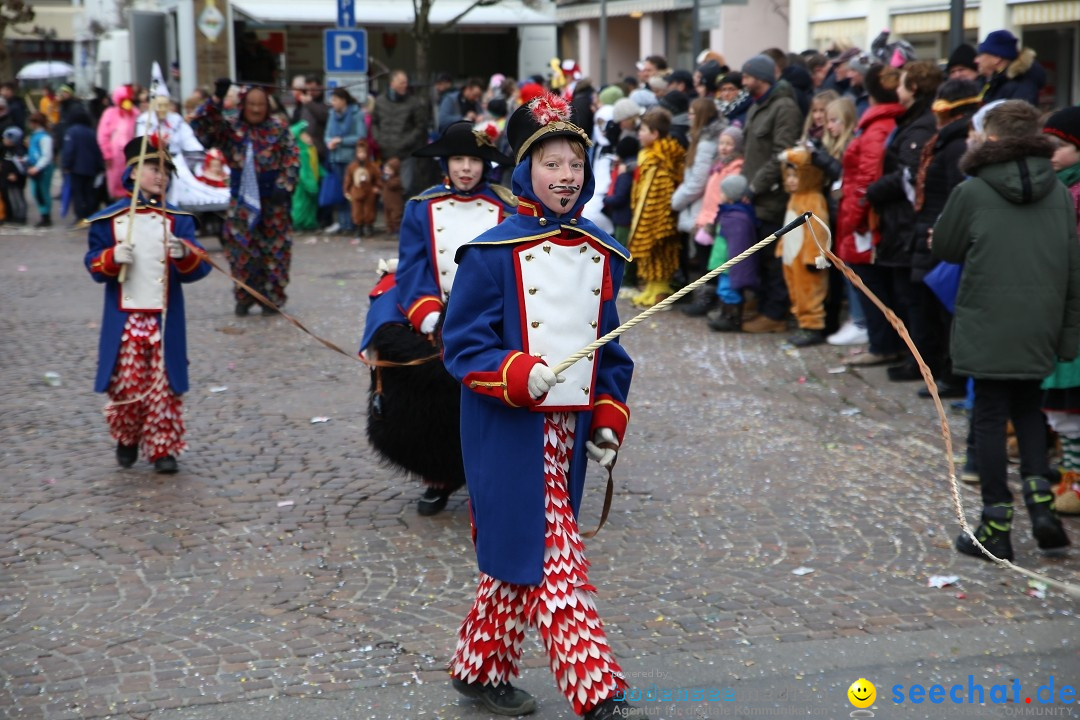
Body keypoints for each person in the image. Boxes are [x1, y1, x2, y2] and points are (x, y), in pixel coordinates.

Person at [441, 91, 646, 720]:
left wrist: (608, 418)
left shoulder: (599, 251)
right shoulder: (491, 252)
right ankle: (598, 692)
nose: (565, 177)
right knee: (551, 552)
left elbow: (610, 352)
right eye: (551, 163)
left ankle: (480, 671)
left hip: (568, 433)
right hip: (507, 431)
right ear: (526, 170)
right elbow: (463, 344)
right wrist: (515, 372)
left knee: (515, 555)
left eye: (575, 166)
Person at [932, 100, 1076, 561]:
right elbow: (1073, 266)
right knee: (1029, 409)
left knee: (990, 416)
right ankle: (1040, 506)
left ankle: (995, 524)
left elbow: (948, 248)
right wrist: (1068, 334)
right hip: (1040, 319)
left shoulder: (974, 190)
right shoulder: (1057, 189)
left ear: (992, 138)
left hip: (987, 318)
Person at [358, 120, 515, 517]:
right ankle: (437, 474)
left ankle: (490, 475)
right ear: (445, 163)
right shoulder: (421, 206)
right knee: (426, 392)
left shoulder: (506, 208)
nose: (466, 168)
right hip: (434, 312)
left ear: (486, 166)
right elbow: (413, 268)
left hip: (489, 314)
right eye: (458, 159)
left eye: (474, 161)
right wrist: (429, 318)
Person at [83, 136, 211, 474]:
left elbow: (200, 267)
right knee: (127, 383)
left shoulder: (178, 220)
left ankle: (162, 449)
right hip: (125, 318)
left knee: (163, 385)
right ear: (134, 171)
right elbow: (94, 264)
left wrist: (185, 254)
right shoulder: (110, 220)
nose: (161, 176)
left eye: (166, 171)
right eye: (154, 169)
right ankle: (127, 436)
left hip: (164, 319)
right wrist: (111, 257)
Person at [192, 79, 299, 316]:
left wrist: (285, 185)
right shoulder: (231, 128)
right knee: (241, 252)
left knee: (276, 254)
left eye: (261, 104)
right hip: (241, 203)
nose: (256, 109)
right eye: (252, 104)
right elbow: (200, 127)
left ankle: (271, 299)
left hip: (274, 203)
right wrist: (216, 99)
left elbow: (292, 157)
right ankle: (245, 296)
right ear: (243, 105)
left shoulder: (278, 128)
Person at [865, 60, 943, 380]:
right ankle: (915, 358)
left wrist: (872, 191)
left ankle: (922, 363)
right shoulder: (912, 120)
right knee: (907, 296)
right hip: (899, 223)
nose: (896, 90)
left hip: (907, 223)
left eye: (902, 84)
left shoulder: (921, 125)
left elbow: (908, 175)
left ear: (913, 88)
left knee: (913, 299)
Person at [908, 79, 983, 400]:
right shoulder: (946, 142)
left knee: (945, 309)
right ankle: (940, 371)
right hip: (930, 229)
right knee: (930, 308)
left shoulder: (954, 146)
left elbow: (958, 195)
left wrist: (942, 229)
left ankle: (951, 376)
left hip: (939, 234)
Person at [835, 65, 906, 366]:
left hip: (865, 220)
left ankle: (882, 345)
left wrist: (852, 218)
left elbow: (867, 178)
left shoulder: (878, 126)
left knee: (871, 285)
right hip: (864, 215)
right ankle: (882, 343)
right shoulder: (879, 123)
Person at [738, 54, 802, 333]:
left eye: (747, 76)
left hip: (771, 196)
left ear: (761, 78)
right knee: (762, 257)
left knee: (774, 259)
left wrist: (756, 186)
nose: (743, 81)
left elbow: (782, 155)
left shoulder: (784, 107)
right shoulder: (757, 106)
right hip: (754, 195)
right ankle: (765, 308)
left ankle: (776, 314)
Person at [1040, 106, 1080, 516]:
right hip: (1059, 308)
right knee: (1063, 409)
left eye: (1063, 145)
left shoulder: (1073, 194)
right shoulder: (1058, 188)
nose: (1053, 152)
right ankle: (1071, 475)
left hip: (1073, 310)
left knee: (1073, 404)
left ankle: (1077, 480)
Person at [684, 125, 745, 318]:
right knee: (703, 261)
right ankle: (704, 297)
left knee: (714, 263)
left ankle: (710, 299)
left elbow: (724, 196)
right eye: (722, 143)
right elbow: (709, 197)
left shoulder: (735, 167)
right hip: (706, 219)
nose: (724, 147)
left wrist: (713, 221)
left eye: (729, 144)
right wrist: (701, 219)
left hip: (718, 222)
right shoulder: (718, 165)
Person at [628, 107, 686, 307]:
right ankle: (652, 286)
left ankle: (661, 288)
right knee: (649, 255)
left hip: (657, 216)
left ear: (655, 133)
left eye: (643, 130)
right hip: (645, 212)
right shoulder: (648, 154)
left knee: (659, 252)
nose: (639, 134)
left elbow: (659, 191)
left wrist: (655, 219)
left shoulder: (661, 159)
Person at [776, 145, 829, 346]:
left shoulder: (813, 199)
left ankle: (812, 326)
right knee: (795, 291)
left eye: (795, 176)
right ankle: (801, 322)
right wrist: (782, 248)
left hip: (807, 258)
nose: (790, 180)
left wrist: (814, 255)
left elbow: (819, 230)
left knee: (810, 293)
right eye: (788, 175)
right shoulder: (794, 198)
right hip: (792, 256)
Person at [672, 97, 724, 277]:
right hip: (697, 204)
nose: (689, 117)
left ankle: (703, 296)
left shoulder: (705, 144)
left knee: (703, 255)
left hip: (701, 206)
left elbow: (697, 182)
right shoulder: (702, 140)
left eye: (693, 113)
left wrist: (676, 201)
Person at [372, 70, 429, 198]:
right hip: (385, 152)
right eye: (402, 83)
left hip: (405, 153)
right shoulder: (380, 101)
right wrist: (378, 139)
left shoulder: (414, 103)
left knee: (405, 187)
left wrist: (407, 141)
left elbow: (420, 127)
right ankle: (392, 217)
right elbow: (374, 123)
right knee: (387, 188)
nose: (405, 85)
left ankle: (404, 216)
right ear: (392, 84)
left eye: (406, 83)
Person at [325, 87, 364, 235]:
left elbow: (360, 136)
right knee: (339, 192)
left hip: (350, 159)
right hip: (335, 158)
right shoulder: (331, 115)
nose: (332, 103)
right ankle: (343, 223)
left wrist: (340, 141)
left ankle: (353, 223)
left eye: (335, 99)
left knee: (352, 192)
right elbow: (327, 134)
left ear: (343, 100)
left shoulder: (356, 114)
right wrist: (329, 141)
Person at [975, 30, 1045, 106]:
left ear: (997, 58)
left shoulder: (1021, 88)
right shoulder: (994, 83)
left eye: (981, 55)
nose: (976, 60)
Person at [61, 105, 104, 222]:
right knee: (89, 192)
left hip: (76, 168)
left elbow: (69, 150)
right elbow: (97, 150)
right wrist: (100, 166)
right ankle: (89, 214)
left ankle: (80, 216)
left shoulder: (72, 131)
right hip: (91, 168)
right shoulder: (91, 132)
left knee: (78, 193)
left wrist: (66, 165)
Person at [97, 85, 138, 199]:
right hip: (115, 157)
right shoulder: (110, 113)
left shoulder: (135, 113)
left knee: (132, 181)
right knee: (116, 184)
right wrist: (107, 154)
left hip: (132, 155)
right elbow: (102, 136)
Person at [601, 134, 639, 254]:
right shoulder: (634, 165)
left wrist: (606, 199)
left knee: (622, 249)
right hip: (628, 217)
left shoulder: (625, 171)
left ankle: (624, 273)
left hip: (624, 218)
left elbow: (619, 197)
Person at [343, 140, 380, 237]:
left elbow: (377, 179)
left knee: (369, 210)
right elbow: (348, 179)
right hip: (356, 191)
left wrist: (377, 187)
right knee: (356, 210)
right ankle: (358, 227)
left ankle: (368, 226)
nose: (361, 155)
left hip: (369, 191)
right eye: (359, 153)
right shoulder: (352, 167)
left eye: (363, 153)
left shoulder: (372, 166)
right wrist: (346, 190)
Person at [290, 121, 321, 232]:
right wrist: (310, 184)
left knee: (310, 205)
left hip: (310, 182)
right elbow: (303, 171)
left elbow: (315, 166)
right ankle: (298, 223)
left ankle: (309, 223)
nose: (308, 138)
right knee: (301, 204)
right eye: (304, 136)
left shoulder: (309, 150)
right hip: (303, 185)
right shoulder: (301, 153)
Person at [26, 113, 53, 227]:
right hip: (35, 166)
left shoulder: (44, 137)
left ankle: (46, 216)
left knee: (42, 192)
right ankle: (44, 214)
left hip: (42, 169)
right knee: (36, 192)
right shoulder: (35, 136)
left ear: (36, 123)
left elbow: (46, 156)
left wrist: (37, 167)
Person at [1, 126, 27, 224]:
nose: (4, 140)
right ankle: (14, 215)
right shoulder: (5, 149)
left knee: (18, 197)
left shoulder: (18, 150)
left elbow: (20, 165)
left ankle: (21, 217)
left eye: (6, 138)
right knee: (11, 197)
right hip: (7, 177)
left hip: (17, 179)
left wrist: (15, 174)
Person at [380, 156, 404, 235]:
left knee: (396, 216)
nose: (386, 172)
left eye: (389, 170)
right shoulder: (385, 178)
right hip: (387, 202)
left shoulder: (397, 179)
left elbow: (392, 185)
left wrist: (387, 179)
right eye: (386, 169)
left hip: (395, 203)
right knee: (388, 217)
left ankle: (397, 230)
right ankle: (389, 230)